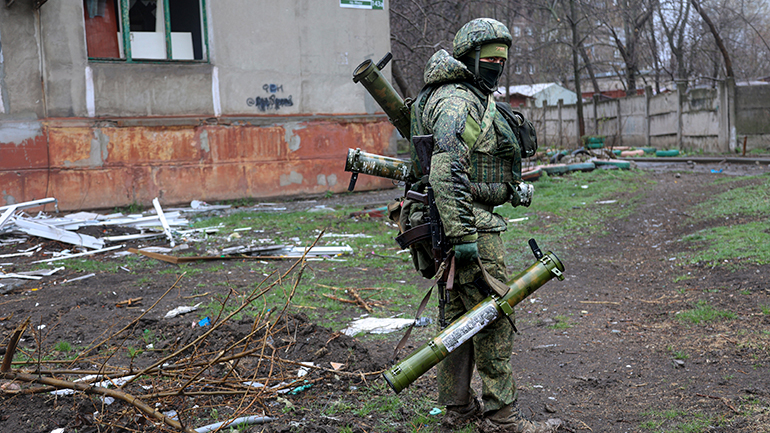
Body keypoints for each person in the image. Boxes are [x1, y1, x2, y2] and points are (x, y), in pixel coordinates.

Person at [409, 18, 560, 433]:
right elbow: (446, 168)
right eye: (490, 58)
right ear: (468, 57)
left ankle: (457, 411)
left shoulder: (455, 94)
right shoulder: (459, 100)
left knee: (458, 320)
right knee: (493, 318)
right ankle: (502, 419)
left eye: (502, 60)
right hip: (467, 227)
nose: (497, 66)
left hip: (451, 222)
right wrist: (463, 237)